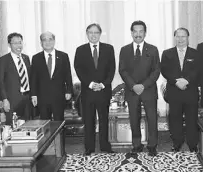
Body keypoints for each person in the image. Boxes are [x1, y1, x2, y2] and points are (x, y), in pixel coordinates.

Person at [119, 20, 160, 156]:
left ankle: (152, 145)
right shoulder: (124, 50)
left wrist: (143, 85)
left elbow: (156, 71)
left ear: (145, 33)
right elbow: (122, 70)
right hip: (132, 91)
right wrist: (133, 85)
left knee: (152, 118)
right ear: (131, 33)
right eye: (135, 31)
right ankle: (136, 145)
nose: (138, 34)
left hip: (148, 90)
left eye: (141, 31)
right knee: (134, 119)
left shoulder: (153, 49)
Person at [74, 24, 116, 155]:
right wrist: (91, 84)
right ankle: (89, 147)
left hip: (104, 91)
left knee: (104, 120)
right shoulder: (80, 50)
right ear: (87, 34)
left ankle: (105, 146)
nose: (93, 35)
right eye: (90, 32)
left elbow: (112, 69)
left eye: (96, 32)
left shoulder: (109, 49)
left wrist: (103, 84)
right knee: (89, 120)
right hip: (88, 92)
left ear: (100, 34)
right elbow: (78, 69)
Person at [160, 28, 200, 152]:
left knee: (191, 119)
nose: (181, 39)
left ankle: (192, 144)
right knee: (175, 119)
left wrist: (186, 80)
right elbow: (164, 70)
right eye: (178, 36)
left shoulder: (195, 53)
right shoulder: (167, 53)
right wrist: (176, 82)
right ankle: (177, 142)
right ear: (175, 38)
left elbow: (198, 70)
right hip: (174, 91)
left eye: (183, 36)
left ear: (188, 38)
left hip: (190, 91)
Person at [30, 32, 73, 121]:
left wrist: (69, 90)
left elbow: (68, 75)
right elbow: (33, 78)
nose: (47, 42)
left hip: (59, 96)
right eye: (44, 40)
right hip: (42, 97)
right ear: (41, 43)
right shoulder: (36, 58)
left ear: (54, 41)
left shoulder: (63, 56)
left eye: (50, 39)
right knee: (45, 124)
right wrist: (33, 95)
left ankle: (60, 136)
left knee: (59, 123)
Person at [0, 33, 32, 124]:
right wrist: (4, 99)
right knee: (12, 126)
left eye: (20, 42)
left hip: (26, 98)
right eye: (15, 43)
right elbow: (0, 82)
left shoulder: (26, 58)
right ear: (9, 45)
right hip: (12, 99)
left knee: (27, 125)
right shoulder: (3, 60)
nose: (18, 45)